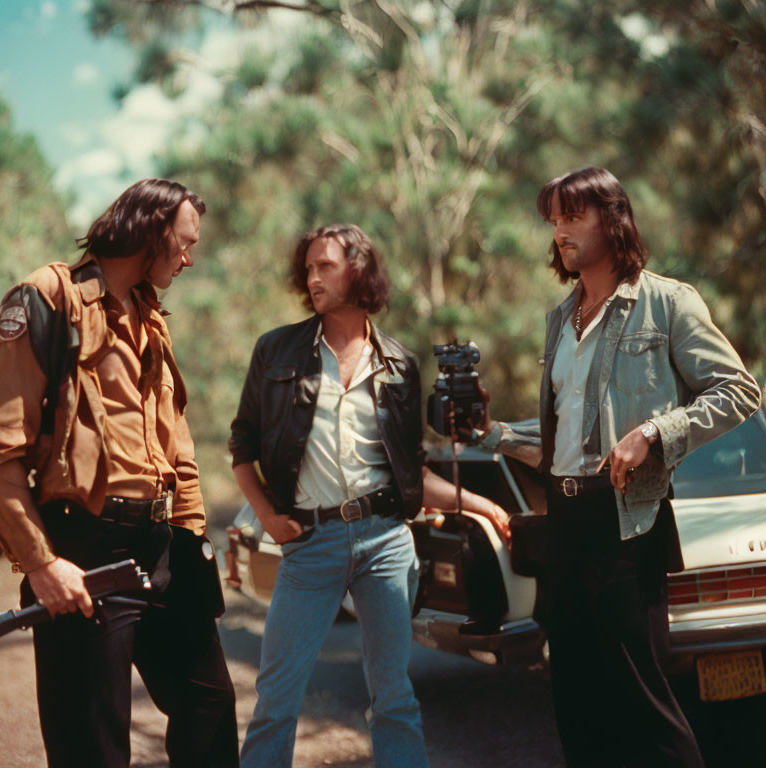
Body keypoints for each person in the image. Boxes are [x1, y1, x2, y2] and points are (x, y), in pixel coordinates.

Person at [486, 166, 761, 766]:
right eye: (554, 219)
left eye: (572, 216)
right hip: (564, 522)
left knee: (644, 708)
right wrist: (494, 433)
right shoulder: (562, 317)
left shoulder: (668, 301)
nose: (559, 230)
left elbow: (739, 390)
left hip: (626, 526)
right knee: (579, 706)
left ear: (612, 220)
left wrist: (656, 433)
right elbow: (567, 441)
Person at [229, 224, 508, 768]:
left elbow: (412, 474)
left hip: (385, 542)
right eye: (308, 267)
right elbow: (242, 445)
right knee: (276, 697)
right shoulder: (277, 350)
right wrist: (267, 516)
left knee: (394, 697)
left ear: (359, 270)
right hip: (309, 542)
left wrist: (483, 505)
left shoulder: (399, 364)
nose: (312, 277)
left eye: (325, 266)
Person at [0, 179, 239, 768]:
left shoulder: (150, 314)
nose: (189, 258)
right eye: (184, 244)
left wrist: (192, 535)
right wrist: (43, 564)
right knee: (93, 746)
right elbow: (2, 456)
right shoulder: (44, 299)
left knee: (209, 706)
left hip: (161, 544)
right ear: (152, 233)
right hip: (84, 547)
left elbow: (174, 438)